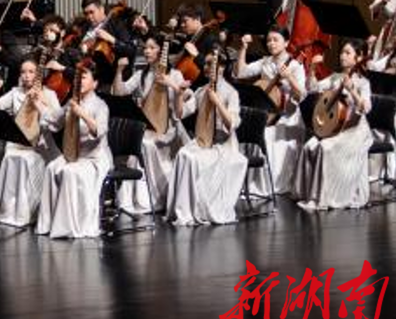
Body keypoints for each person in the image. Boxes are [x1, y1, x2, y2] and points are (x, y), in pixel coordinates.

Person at [165, 50, 248, 226]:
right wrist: (179, 94)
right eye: (205, 63)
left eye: (210, 64)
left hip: (223, 146)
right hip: (204, 141)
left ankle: (195, 209)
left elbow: (233, 123)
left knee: (191, 157)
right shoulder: (201, 91)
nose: (205, 67)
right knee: (184, 153)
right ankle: (184, 210)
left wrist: (217, 101)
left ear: (221, 67)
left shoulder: (231, 92)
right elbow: (181, 113)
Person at [111, 36, 190, 214]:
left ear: (162, 51)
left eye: (152, 48)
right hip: (147, 127)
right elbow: (120, 92)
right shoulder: (142, 75)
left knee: (144, 143)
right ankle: (132, 199)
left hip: (168, 129)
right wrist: (119, 71)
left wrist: (171, 84)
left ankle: (152, 198)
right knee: (138, 141)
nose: (147, 51)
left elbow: (185, 99)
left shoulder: (175, 74)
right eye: (145, 48)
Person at [293, 41, 373, 210]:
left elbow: (366, 108)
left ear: (358, 57)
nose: (342, 56)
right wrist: (312, 69)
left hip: (355, 131)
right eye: (342, 52)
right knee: (309, 146)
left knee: (325, 147)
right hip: (336, 128)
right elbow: (313, 88)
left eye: (347, 53)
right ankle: (305, 193)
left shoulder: (363, 82)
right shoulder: (336, 77)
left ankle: (323, 198)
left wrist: (352, 90)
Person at [36, 61, 111, 239]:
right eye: (77, 78)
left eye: (83, 77)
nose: (78, 81)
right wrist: (37, 102)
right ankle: (48, 224)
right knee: (52, 168)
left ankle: (68, 227)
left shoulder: (100, 106)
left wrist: (82, 113)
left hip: (94, 159)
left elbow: (99, 131)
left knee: (69, 172)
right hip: (74, 155)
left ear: (95, 83)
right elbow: (53, 119)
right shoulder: (73, 102)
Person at [0, 58, 62, 228]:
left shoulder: (49, 93)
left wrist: (42, 100)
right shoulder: (15, 92)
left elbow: (58, 120)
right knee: (10, 156)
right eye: (23, 72)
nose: (26, 76)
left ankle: (27, 210)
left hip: (42, 146)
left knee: (28, 160)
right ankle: (9, 208)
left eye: (31, 72)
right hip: (19, 142)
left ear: (38, 75)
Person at [234, 27, 307, 195]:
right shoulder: (265, 62)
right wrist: (243, 48)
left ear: (286, 42)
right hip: (266, 113)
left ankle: (265, 185)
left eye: (275, 40)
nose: (271, 43)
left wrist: (289, 77)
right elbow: (241, 73)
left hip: (287, 116)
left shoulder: (295, 66)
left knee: (265, 135)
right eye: (268, 40)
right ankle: (244, 182)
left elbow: (302, 94)